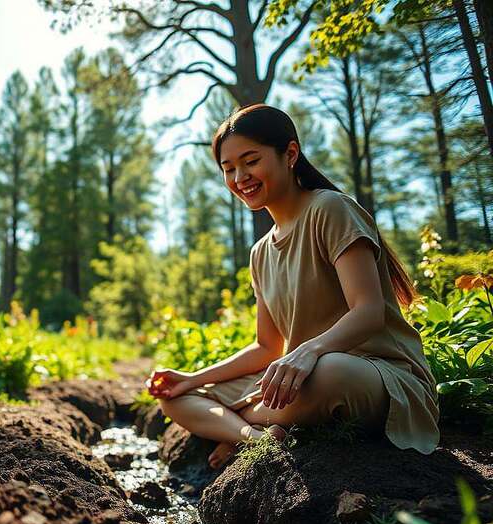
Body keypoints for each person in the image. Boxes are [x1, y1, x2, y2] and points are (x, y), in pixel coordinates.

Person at [148, 104, 439, 468]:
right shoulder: (260, 253)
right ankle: (255, 437)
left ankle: (240, 422)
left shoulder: (330, 210)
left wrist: (309, 351)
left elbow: (370, 311)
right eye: (228, 168)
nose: (240, 177)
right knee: (174, 397)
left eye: (251, 161)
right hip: (299, 378)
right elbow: (266, 347)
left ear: (289, 154)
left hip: (372, 375)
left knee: (330, 371)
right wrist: (192, 379)